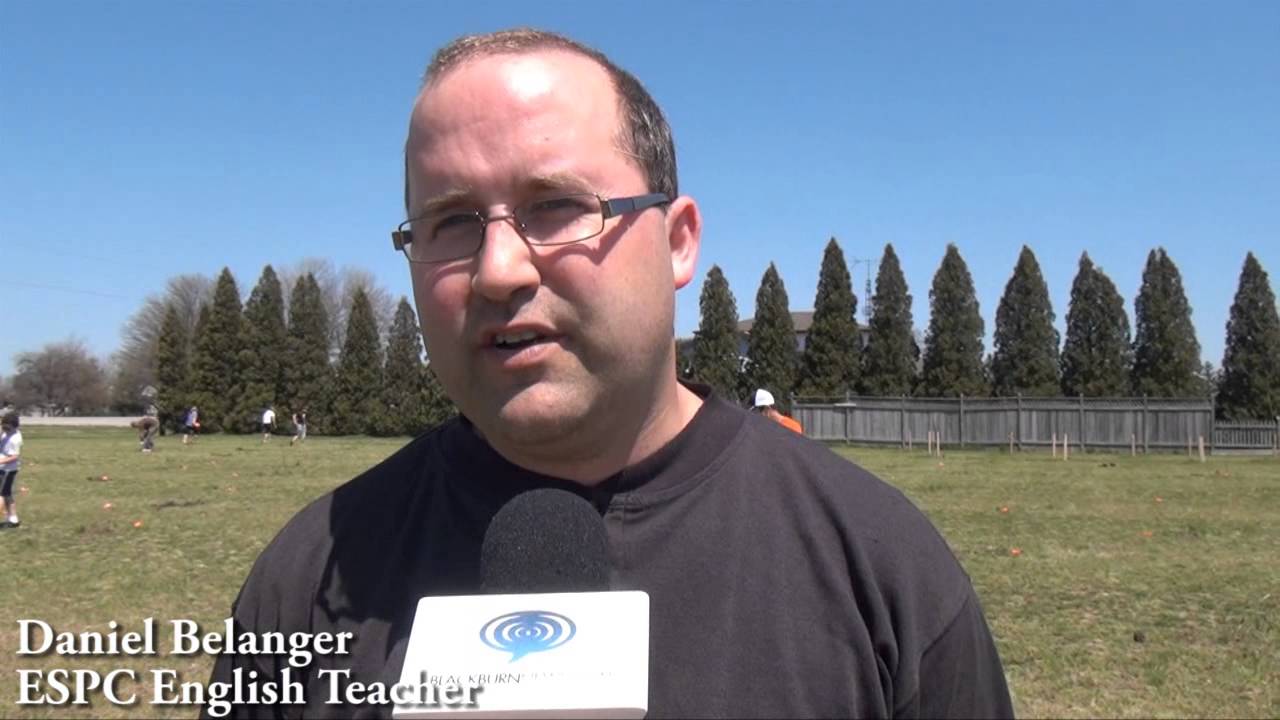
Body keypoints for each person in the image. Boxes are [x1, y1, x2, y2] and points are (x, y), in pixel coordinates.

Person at [209, 28, 1013, 718]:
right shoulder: (312, 573)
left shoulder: (881, 568)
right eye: (450, 221)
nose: (497, 270)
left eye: (556, 206)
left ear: (677, 242)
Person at [0, 412, 23, 529]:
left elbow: (14, 456)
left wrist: (0, 461)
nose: (3, 428)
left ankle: (12, 519)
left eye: (6, 426)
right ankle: (13, 519)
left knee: (3, 494)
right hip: (3, 469)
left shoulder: (15, 439)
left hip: (8, 470)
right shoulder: (6, 433)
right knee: (7, 494)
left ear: (14, 426)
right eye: (3, 424)